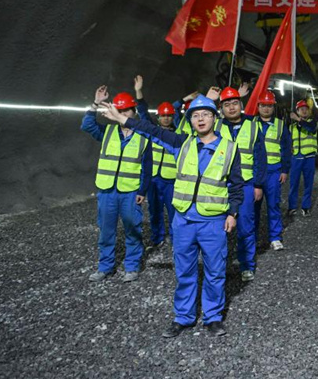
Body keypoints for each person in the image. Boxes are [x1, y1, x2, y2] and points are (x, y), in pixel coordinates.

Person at [101, 95, 243, 337]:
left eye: (206, 114)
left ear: (214, 118)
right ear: (189, 120)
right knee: (185, 270)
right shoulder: (181, 143)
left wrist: (233, 212)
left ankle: (213, 317)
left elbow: (237, 185)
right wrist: (123, 118)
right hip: (184, 220)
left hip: (213, 221)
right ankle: (184, 317)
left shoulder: (229, 149)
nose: (200, 119)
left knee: (215, 270)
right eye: (195, 115)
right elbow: (151, 130)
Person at [82, 86, 152, 282]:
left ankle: (132, 266)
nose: (122, 114)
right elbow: (87, 125)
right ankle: (105, 267)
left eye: (127, 110)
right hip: (107, 190)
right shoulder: (108, 131)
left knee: (132, 229)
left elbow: (147, 166)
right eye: (119, 111)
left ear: (134, 112)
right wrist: (95, 104)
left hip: (130, 192)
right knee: (106, 230)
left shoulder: (143, 135)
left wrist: (143, 190)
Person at [216, 86, 266, 282]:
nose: (231, 108)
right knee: (217, 228)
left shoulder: (254, 126)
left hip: (245, 184)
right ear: (221, 109)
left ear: (241, 105)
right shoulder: (216, 127)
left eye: (234, 103)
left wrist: (258, 185)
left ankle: (247, 265)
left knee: (246, 227)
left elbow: (261, 159)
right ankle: (221, 265)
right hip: (220, 185)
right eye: (226, 104)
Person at [133, 74, 178, 248]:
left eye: (169, 115)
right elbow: (143, 113)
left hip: (171, 180)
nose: (166, 118)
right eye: (163, 115)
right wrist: (139, 92)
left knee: (174, 212)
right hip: (154, 179)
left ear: (173, 117)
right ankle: (157, 238)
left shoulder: (179, 134)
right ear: (158, 117)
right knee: (155, 211)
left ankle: (176, 240)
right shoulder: (152, 130)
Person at [254, 90, 291, 251]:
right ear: (258, 106)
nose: (266, 109)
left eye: (269, 106)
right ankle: (252, 238)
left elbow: (286, 148)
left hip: (273, 171)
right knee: (252, 206)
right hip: (254, 171)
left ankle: (275, 237)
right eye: (263, 105)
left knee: (273, 205)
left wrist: (284, 170)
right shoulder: (250, 123)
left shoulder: (281, 125)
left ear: (273, 107)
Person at [288, 99, 318, 216]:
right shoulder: (292, 127)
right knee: (293, 184)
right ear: (297, 111)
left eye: (306, 109)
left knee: (308, 184)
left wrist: (298, 120)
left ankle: (306, 207)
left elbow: (311, 128)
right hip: (296, 157)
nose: (304, 111)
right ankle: (292, 207)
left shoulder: (313, 122)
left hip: (309, 157)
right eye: (301, 109)